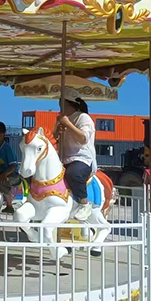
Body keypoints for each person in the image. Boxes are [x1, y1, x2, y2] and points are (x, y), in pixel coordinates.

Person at [55, 87, 96, 221]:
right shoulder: (61, 119)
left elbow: (83, 138)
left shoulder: (83, 118)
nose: (60, 106)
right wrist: (58, 131)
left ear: (69, 103)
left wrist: (68, 124)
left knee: (73, 173)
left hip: (81, 158)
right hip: (63, 157)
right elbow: (54, 138)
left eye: (62, 103)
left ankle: (84, 203)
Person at [0, 121, 19, 213]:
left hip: (11, 174)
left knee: (2, 181)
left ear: (1, 135)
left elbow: (13, 166)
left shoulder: (7, 148)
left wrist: (4, 174)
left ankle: (9, 205)